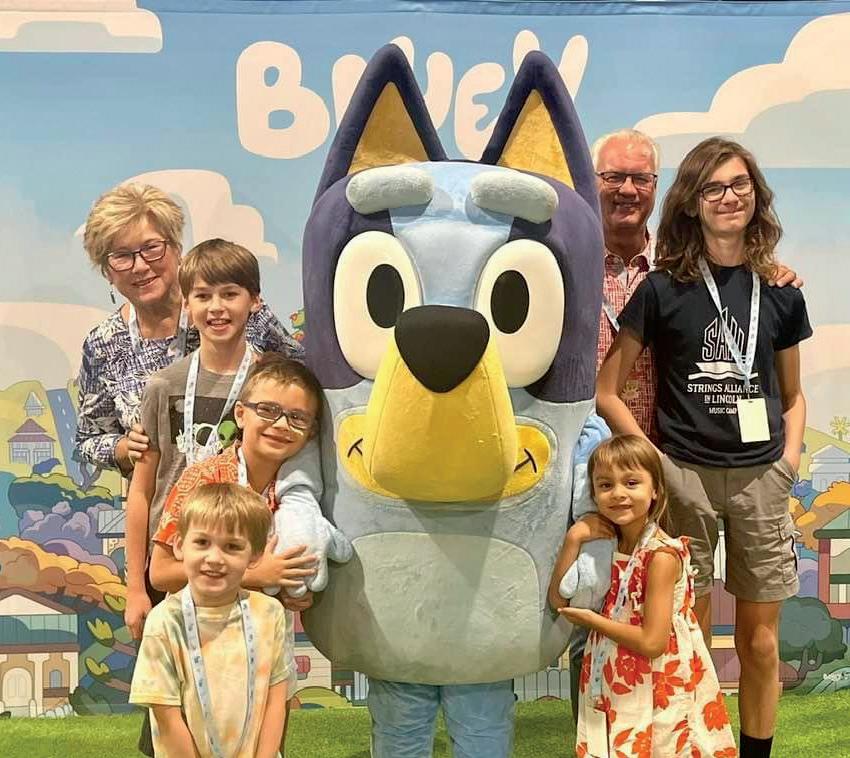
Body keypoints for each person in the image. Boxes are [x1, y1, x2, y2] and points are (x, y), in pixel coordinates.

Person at [597, 137, 810, 758]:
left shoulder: (781, 291)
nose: (728, 197)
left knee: (761, 643)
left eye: (739, 184)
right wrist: (657, 465)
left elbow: (793, 395)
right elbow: (608, 390)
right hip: (682, 477)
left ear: (756, 195)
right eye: (713, 187)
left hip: (761, 478)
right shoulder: (662, 288)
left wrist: (788, 463)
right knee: (677, 636)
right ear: (691, 201)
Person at [148, 354, 336, 741]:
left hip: (265, 650)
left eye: (297, 418)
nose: (281, 425)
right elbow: (162, 573)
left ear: (311, 432)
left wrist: (294, 591)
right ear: (241, 413)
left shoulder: (305, 492)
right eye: (267, 410)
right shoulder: (203, 480)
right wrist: (254, 574)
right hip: (198, 649)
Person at [75, 182, 301, 479]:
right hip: (160, 499)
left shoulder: (236, 313)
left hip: (251, 497)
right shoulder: (103, 344)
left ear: (177, 250)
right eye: (121, 256)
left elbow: (304, 381)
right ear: (107, 272)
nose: (139, 266)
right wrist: (125, 448)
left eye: (151, 248)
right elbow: (88, 440)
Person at [550, 435, 737, 757]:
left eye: (631, 482)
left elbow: (653, 642)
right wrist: (573, 539)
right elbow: (559, 600)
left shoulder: (661, 556)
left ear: (655, 490)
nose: (618, 493)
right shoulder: (604, 545)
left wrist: (593, 621)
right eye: (605, 485)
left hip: (659, 682)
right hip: (615, 678)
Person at [129, 482, 291, 758]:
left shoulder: (269, 613)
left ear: (255, 555)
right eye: (202, 542)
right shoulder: (165, 622)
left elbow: (276, 699)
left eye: (232, 546)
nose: (215, 558)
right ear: (179, 546)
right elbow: (167, 717)